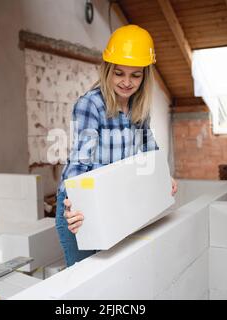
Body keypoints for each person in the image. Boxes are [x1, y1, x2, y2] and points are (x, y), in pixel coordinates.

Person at [54, 25, 178, 267]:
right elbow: (80, 159)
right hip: (80, 208)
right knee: (86, 289)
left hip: (113, 203)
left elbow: (149, 148)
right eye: (119, 73)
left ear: (145, 76)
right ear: (107, 70)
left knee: (113, 280)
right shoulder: (91, 104)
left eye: (135, 75)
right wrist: (74, 205)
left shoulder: (138, 106)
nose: (127, 82)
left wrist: (164, 177)